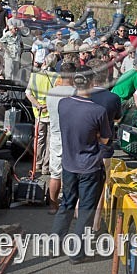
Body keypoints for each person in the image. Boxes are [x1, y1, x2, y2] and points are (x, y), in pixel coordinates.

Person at [52, 65, 111, 264]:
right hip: (89, 166)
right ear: (92, 84)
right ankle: (77, 253)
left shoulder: (63, 104)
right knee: (86, 209)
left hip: (69, 163)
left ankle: (55, 243)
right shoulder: (98, 111)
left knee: (67, 204)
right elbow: (104, 140)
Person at [45, 62, 76, 214]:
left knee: (55, 173)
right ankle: (69, 205)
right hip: (73, 136)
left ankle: (53, 206)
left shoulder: (51, 92)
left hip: (56, 134)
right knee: (73, 173)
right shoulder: (76, 92)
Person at [26, 53, 58, 178]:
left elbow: (28, 93)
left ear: (44, 62)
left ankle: (37, 164)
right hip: (51, 113)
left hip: (38, 113)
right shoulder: (57, 77)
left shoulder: (34, 76)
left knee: (39, 139)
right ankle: (46, 166)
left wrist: (38, 105)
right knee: (50, 140)